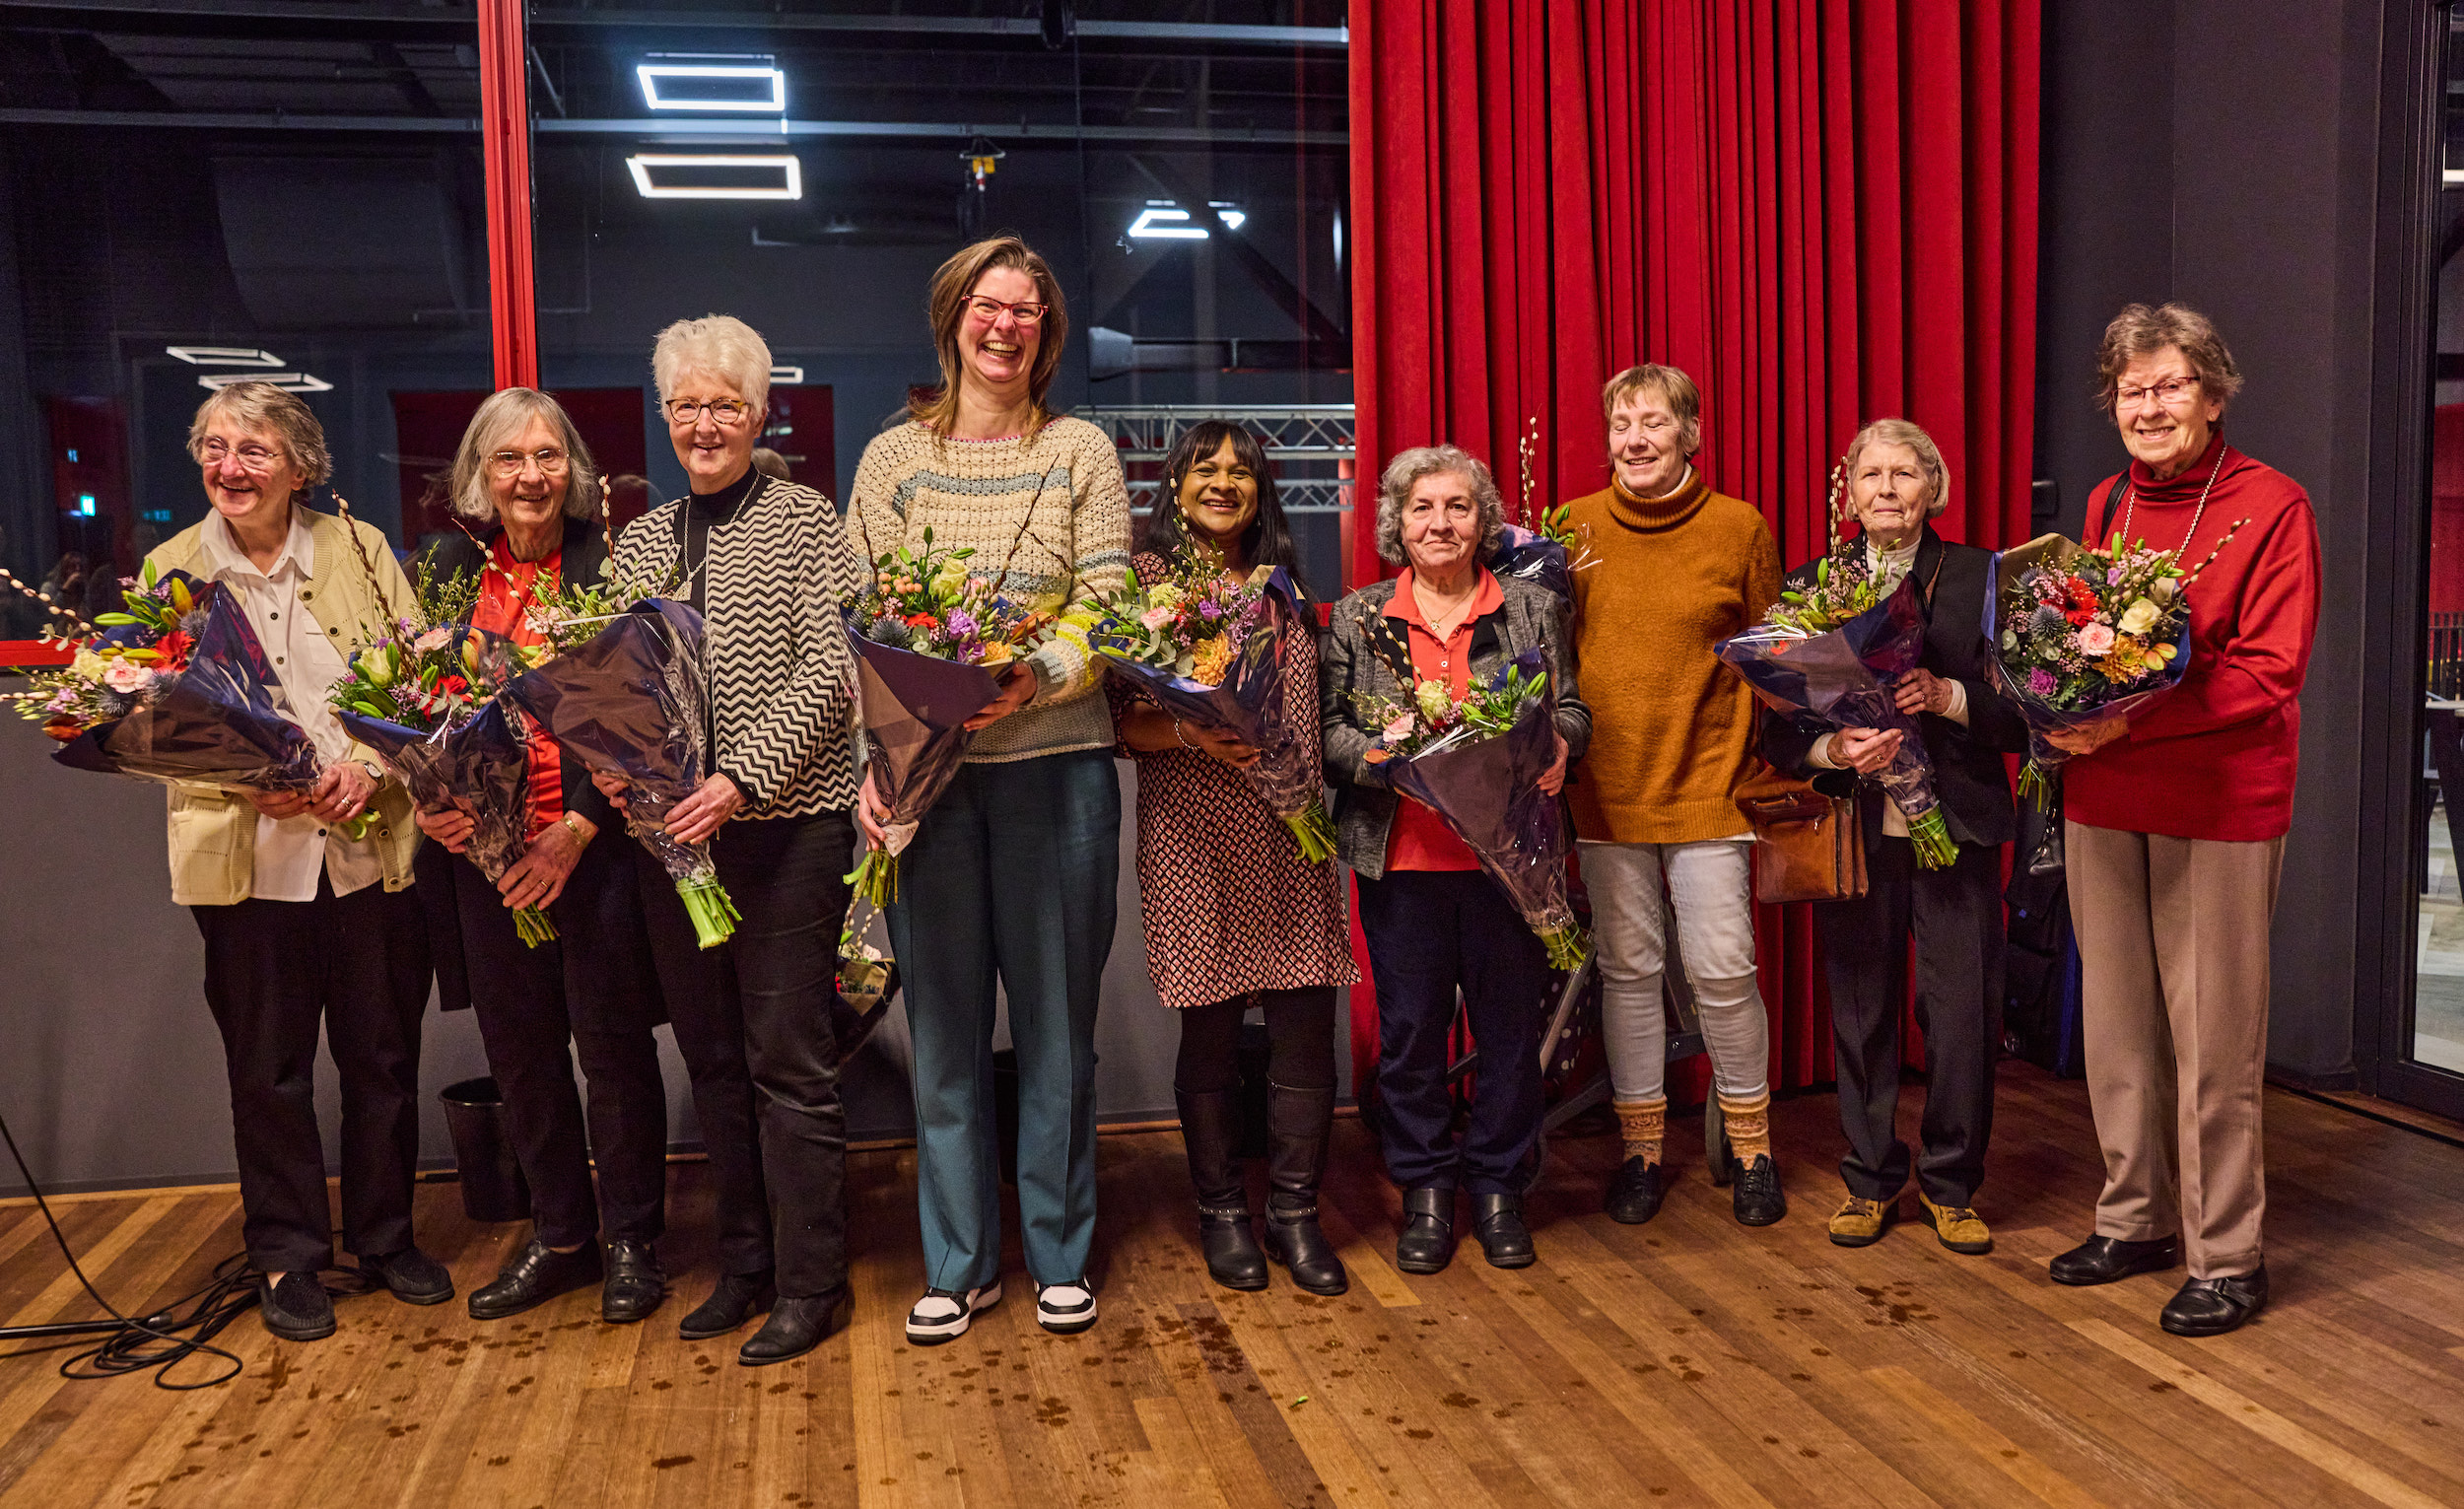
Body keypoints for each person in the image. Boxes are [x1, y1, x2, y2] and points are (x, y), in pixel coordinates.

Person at [850, 235, 1130, 1343]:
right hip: (930, 786)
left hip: (1056, 774)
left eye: (1026, 307)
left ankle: (1060, 1249)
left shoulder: (1080, 452)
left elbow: (1102, 598)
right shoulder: (889, 462)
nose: (1004, 322)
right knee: (948, 1032)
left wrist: (1035, 678)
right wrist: (883, 768)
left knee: (1059, 1030)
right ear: (951, 318)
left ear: (1046, 332)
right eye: (986, 303)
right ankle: (956, 1261)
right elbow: (869, 618)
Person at [143, 379, 446, 1340]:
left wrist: (367, 767)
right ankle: (285, 1255)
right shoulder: (172, 567)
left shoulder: (359, 552)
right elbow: (148, 721)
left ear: (301, 469)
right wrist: (240, 781)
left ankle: (386, 1236)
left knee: (382, 1055)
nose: (231, 467)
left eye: (254, 450)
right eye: (216, 447)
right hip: (248, 865)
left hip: (364, 854)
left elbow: (418, 685)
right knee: (266, 1068)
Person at [2043, 304, 2320, 1338]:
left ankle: (2227, 1254)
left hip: (2219, 799)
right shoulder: (2108, 500)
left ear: (2211, 392)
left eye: (2168, 386)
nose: (2148, 406)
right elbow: (2083, 642)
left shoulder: (2274, 504)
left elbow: (2266, 670)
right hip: (2105, 792)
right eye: (2131, 389)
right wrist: (2060, 712)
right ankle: (2134, 1216)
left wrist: (2121, 731)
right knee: (2117, 1027)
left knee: (2211, 1040)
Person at [603, 314, 865, 1366]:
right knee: (712, 1059)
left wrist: (735, 778)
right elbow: (613, 686)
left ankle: (813, 1282)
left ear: (760, 415)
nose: (704, 422)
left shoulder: (807, 521)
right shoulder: (641, 541)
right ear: (665, 415)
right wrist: (631, 772)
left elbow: (837, 670)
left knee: (786, 1064)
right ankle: (745, 1263)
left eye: (725, 404)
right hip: (674, 846)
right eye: (686, 404)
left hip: (787, 829)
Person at [413, 388, 671, 1325]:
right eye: (510, 459)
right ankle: (562, 1234)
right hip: (485, 863)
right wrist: (434, 804)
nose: (531, 476)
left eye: (549, 456)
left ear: (576, 470)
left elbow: (643, 717)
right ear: (480, 475)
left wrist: (578, 831)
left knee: (612, 1050)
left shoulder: (607, 566)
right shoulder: (442, 567)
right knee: (520, 1054)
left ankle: (634, 1238)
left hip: (590, 854)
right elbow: (406, 702)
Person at [1759, 419, 2029, 1256]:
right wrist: (1832, 747)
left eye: (1904, 474)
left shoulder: (1986, 576)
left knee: (1962, 1013)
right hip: (1854, 832)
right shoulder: (1810, 587)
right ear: (1848, 493)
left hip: (1960, 823)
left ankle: (1952, 1184)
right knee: (1863, 1007)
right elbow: (1775, 733)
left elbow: (2032, 710)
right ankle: (1870, 1179)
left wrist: (1949, 697)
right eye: (1869, 474)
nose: (1885, 488)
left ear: (1932, 490)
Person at [1320, 445, 1589, 1273]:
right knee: (1410, 1037)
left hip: (1510, 865)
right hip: (1403, 863)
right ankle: (1427, 1193)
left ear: (1485, 520)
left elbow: (1573, 706)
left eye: (1458, 507)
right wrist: (1379, 755)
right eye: (1422, 508)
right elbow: (1328, 731)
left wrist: (1562, 748)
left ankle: (1502, 1188)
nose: (1440, 523)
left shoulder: (1535, 606)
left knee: (1511, 1033)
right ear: (1397, 524)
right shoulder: (1358, 617)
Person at [1108, 421, 1357, 1296]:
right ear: (1172, 487)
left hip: (1288, 829)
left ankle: (1295, 1212)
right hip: (1193, 830)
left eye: (1241, 471)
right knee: (1209, 1028)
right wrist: (1193, 733)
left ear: (1262, 491)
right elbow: (1120, 725)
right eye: (1204, 469)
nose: (1223, 483)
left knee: (1301, 1031)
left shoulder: (1283, 585)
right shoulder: (1143, 587)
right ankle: (1222, 1211)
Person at [1556, 364, 1786, 1227]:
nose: (1636, 439)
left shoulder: (1739, 529)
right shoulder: (1571, 528)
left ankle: (1754, 1145)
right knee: (1629, 975)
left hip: (1710, 787)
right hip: (1607, 794)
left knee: (1725, 972)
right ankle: (1642, 1149)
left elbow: (1773, 660)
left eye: (1655, 422)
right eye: (1621, 424)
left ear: (1691, 434)